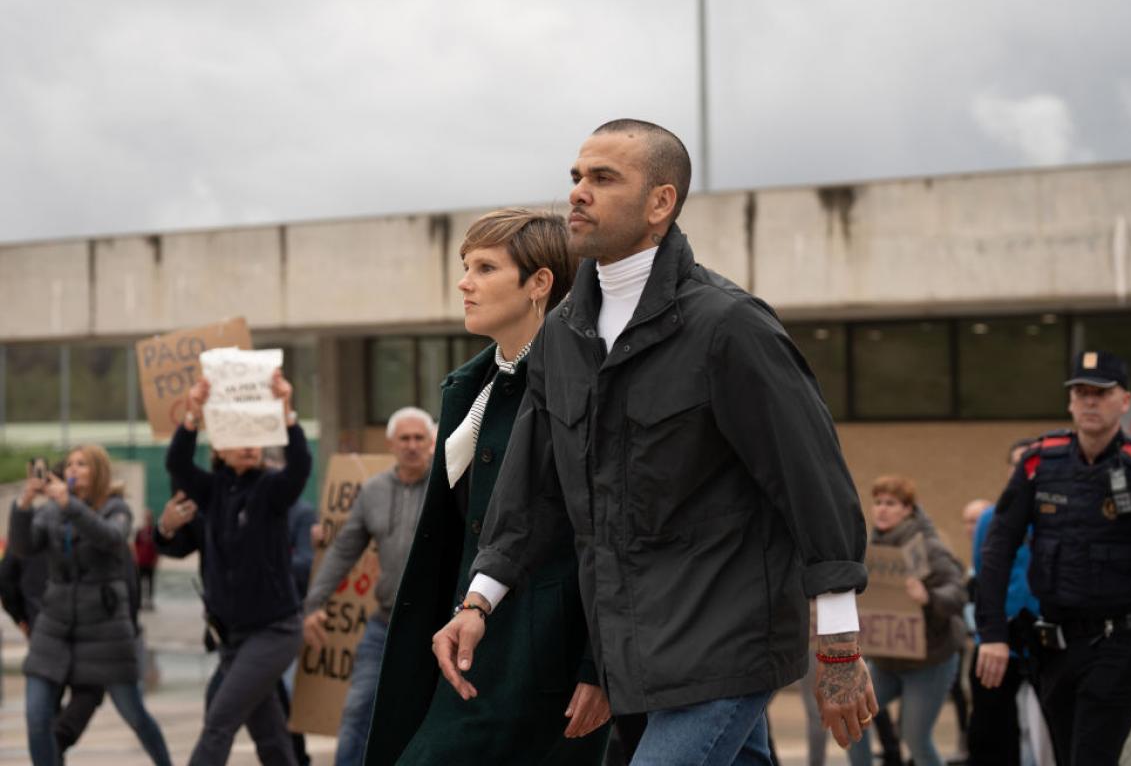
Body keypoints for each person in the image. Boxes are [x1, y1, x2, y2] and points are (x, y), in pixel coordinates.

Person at [429, 120, 876, 765]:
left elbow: (812, 480)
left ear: (661, 203)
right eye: (577, 177)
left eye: (604, 178)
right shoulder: (562, 336)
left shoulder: (729, 326)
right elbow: (534, 490)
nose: (579, 192)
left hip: (727, 642)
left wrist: (838, 645)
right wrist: (478, 601)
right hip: (632, 654)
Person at [364, 208, 610, 765]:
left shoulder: (582, 384)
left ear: (539, 284)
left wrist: (599, 667)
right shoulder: (472, 385)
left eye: (484, 267)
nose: (464, 282)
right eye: (465, 265)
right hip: (464, 642)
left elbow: (605, 531)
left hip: (543, 655)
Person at [976, 350, 1131, 766]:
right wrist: (992, 633)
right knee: (1068, 756)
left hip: (1124, 640)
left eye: (1101, 392)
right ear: (1070, 402)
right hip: (1056, 643)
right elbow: (998, 548)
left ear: (1125, 401)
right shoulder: (1040, 462)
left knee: (1091, 757)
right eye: (1081, 392)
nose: (1090, 401)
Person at [167, 367, 312, 766]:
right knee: (268, 734)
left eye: (256, 440)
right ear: (220, 448)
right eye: (239, 439)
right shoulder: (212, 492)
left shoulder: (271, 490)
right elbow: (178, 462)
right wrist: (193, 413)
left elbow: (299, 467)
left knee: (219, 720)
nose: (249, 447)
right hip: (233, 636)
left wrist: (287, 408)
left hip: (275, 630)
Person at [10, 445, 172, 766]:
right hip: (55, 627)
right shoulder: (51, 511)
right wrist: (24, 504)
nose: (72, 470)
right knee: (37, 715)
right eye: (69, 464)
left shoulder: (116, 509)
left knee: (134, 713)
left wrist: (70, 505)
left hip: (105, 630)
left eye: (81, 464)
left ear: (97, 472)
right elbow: (24, 546)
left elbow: (110, 538)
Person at [302, 406, 434, 766]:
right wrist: (314, 604)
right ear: (391, 444)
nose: (411, 446)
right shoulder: (372, 491)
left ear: (433, 443)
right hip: (383, 627)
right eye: (404, 439)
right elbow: (343, 551)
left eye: (418, 438)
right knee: (359, 712)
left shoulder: (449, 489)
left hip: (438, 628)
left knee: (430, 719)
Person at [848, 476, 967, 766]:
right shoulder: (871, 547)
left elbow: (958, 592)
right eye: (878, 502)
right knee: (851, 717)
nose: (882, 509)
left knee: (915, 738)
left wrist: (928, 597)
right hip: (887, 661)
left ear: (908, 509)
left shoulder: (924, 547)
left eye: (891, 503)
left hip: (930, 661)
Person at [134, 507, 159, 610]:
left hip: (150, 562)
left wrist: (156, 560)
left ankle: (150, 602)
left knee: (150, 583)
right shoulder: (140, 531)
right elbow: (135, 545)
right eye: (146, 517)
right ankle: (139, 602)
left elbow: (158, 547)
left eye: (149, 517)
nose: (147, 518)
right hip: (141, 561)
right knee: (139, 583)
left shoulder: (154, 531)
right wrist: (135, 558)